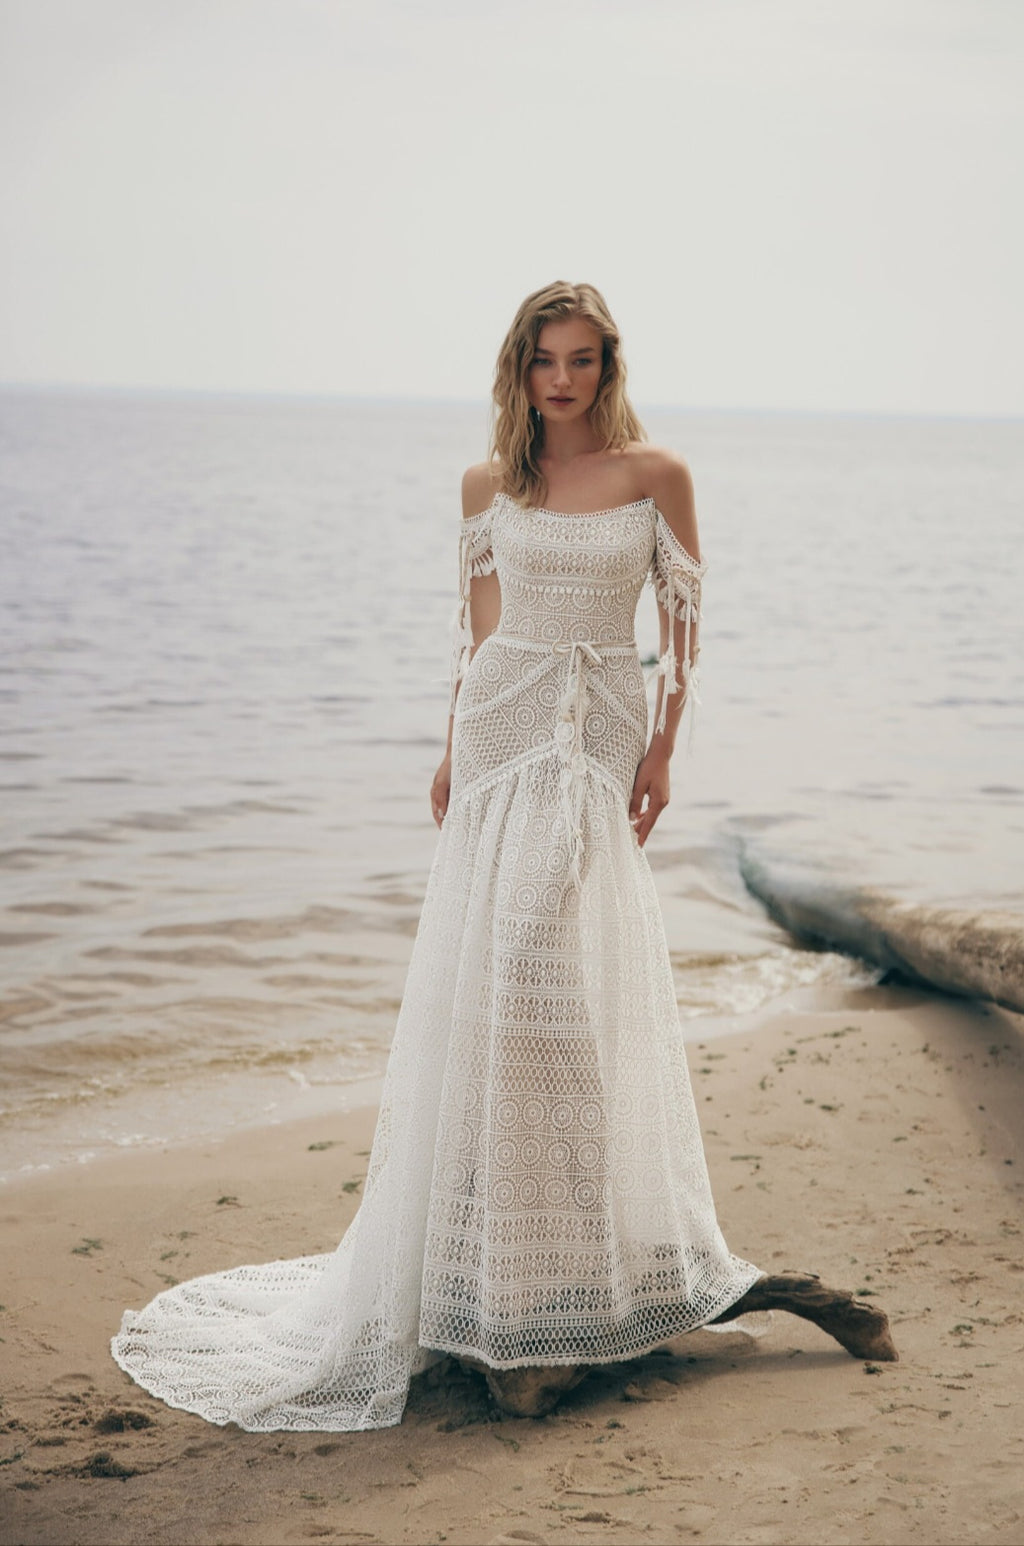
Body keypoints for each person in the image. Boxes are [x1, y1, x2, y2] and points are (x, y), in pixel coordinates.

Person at [111, 281, 894, 1434]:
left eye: (580, 359)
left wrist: (665, 750)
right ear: (519, 371)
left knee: (540, 967)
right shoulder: (488, 486)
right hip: (498, 727)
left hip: (593, 735)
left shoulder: (653, 476)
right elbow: (476, 635)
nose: (562, 379)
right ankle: (514, 1271)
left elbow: (680, 628)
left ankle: (577, 1267)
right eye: (544, 361)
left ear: (606, 366)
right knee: (497, 988)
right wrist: (448, 750)